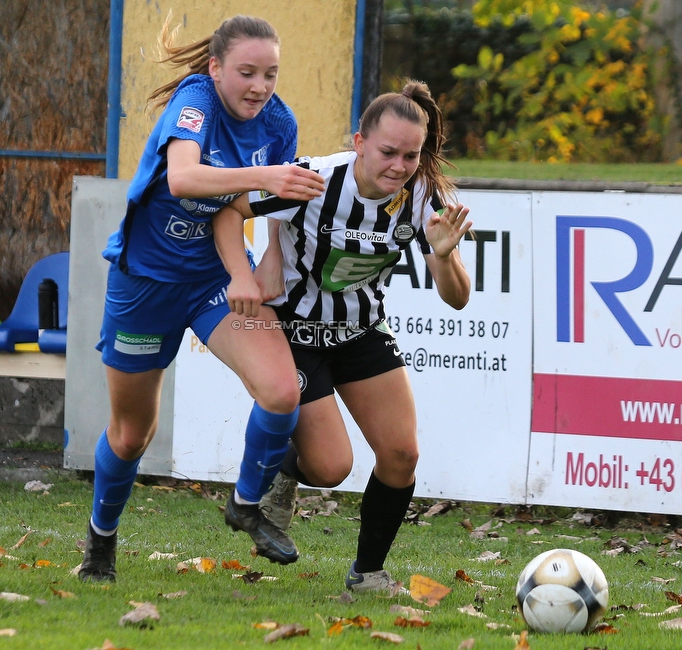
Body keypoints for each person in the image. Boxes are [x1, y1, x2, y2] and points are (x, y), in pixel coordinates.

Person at [78, 15, 326, 583]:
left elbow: (261, 206)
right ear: (215, 69)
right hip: (145, 284)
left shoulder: (278, 121)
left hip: (214, 279)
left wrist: (263, 263)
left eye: (270, 74)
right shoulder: (195, 101)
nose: (260, 87)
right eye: (246, 72)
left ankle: (244, 504)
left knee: (281, 391)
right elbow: (186, 179)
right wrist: (267, 174)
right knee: (132, 432)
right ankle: (101, 543)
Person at [212, 80, 472, 594]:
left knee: (401, 456)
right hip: (295, 331)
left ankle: (368, 573)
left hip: (360, 330)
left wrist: (442, 256)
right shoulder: (312, 179)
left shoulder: (422, 196)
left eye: (411, 156)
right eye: (388, 152)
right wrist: (244, 274)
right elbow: (228, 210)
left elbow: (458, 298)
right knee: (331, 468)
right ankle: (286, 469)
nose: (399, 166)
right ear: (359, 142)